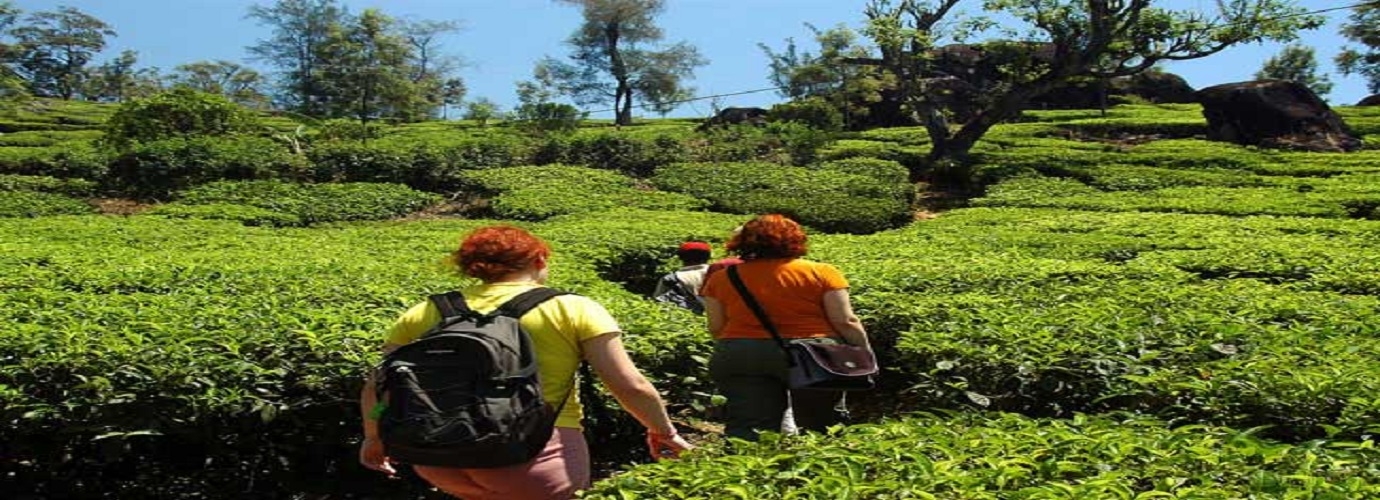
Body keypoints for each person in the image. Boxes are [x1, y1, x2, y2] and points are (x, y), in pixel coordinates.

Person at [359, 225, 692, 500]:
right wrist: (662, 431)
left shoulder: (427, 310)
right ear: (539, 259)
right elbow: (626, 383)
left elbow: (380, 384)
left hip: (438, 454)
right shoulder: (571, 307)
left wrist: (374, 436)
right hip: (534, 453)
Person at [699, 214, 871, 441]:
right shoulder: (822, 272)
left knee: (749, 428)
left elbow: (716, 327)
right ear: (796, 238)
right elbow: (845, 321)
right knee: (821, 426)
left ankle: (747, 473)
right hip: (815, 353)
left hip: (741, 352)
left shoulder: (722, 278)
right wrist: (864, 352)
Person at [652, 241, 711, 314]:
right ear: (708, 257)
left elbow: (658, 301)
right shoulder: (720, 274)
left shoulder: (671, 279)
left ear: (681, 258)